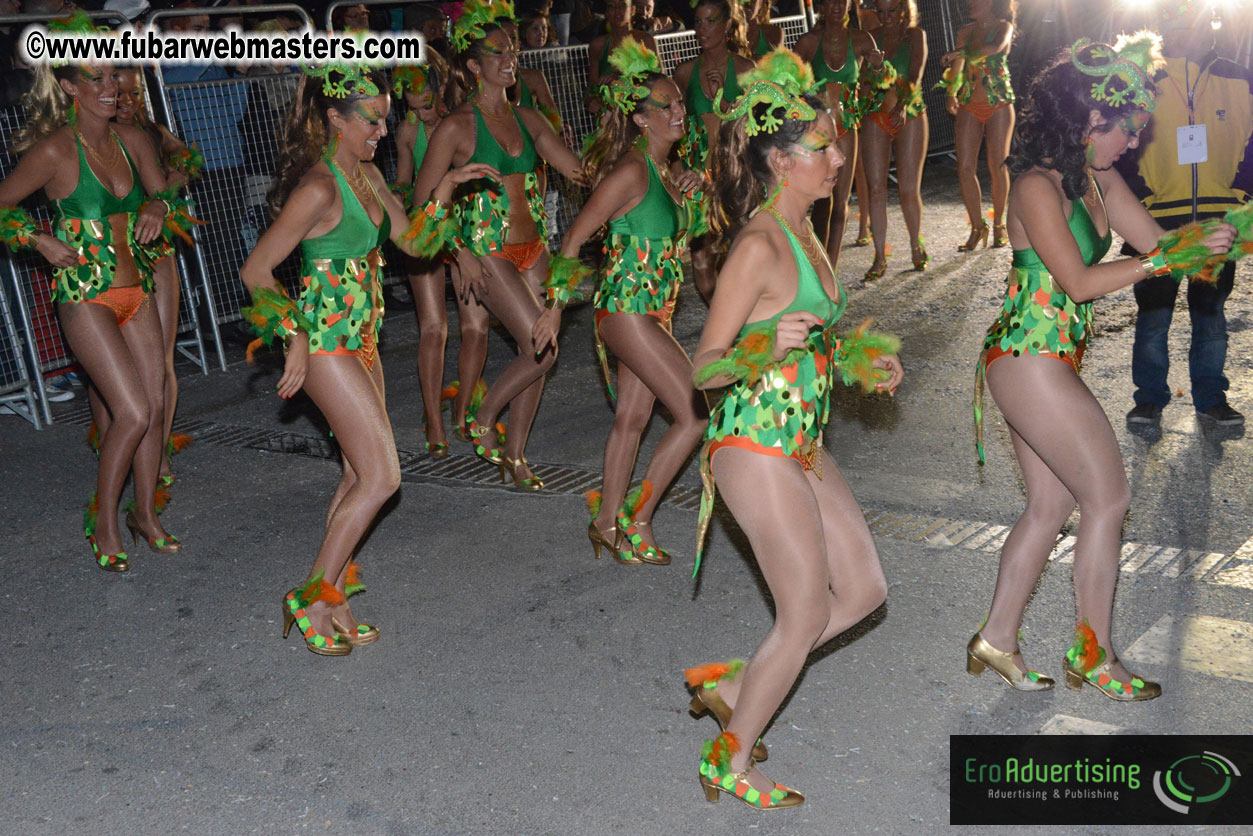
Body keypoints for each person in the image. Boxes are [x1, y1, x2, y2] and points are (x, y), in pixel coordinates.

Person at [969, 34, 1234, 700]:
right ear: (1086, 120)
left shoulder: (1099, 176)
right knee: (1108, 499)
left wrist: (1214, 239)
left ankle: (995, 639)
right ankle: (1093, 655)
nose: (1133, 138)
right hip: (1024, 357)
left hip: (1048, 359)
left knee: (1049, 505)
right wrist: (1168, 259)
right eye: (1124, 125)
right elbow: (1081, 282)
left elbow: (1162, 246)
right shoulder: (1032, 184)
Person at [686, 49, 901, 809]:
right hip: (752, 443)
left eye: (836, 143)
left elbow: (804, 334)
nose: (837, 156)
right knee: (805, 609)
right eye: (822, 147)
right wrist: (756, 346)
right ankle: (729, 759)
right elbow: (702, 369)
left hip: (800, 440)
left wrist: (855, 363)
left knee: (865, 590)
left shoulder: (807, 229)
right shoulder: (757, 244)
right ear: (779, 161)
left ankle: (740, 685)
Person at [241, 63, 493, 654]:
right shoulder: (319, 188)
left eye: (385, 118)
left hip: (365, 338)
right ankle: (311, 598)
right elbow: (256, 271)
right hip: (327, 340)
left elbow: (413, 243)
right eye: (370, 120)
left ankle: (335, 598)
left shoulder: (371, 176)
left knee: (358, 473)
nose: (381, 129)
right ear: (334, 118)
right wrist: (294, 333)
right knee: (383, 477)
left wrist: (447, 189)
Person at [0, 18, 181, 572]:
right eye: (95, 77)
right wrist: (37, 238)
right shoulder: (54, 152)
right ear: (69, 87)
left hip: (137, 290)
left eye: (113, 75)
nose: (111, 87)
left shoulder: (132, 138)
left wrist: (158, 205)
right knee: (128, 413)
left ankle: (144, 515)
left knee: (151, 409)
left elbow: (167, 187)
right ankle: (103, 519)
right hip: (85, 297)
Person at [414, 0, 586, 490]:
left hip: (535, 249)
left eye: (511, 50)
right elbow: (424, 202)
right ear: (472, 65)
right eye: (496, 53)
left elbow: (578, 171)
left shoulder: (530, 120)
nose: (509, 58)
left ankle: (515, 456)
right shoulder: (455, 126)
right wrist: (459, 253)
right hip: (486, 252)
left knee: (539, 347)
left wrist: (631, 149)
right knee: (541, 348)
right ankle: (483, 415)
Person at [553, 38, 707, 564]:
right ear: (642, 120)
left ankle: (606, 524)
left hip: (654, 308)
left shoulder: (669, 170)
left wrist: (697, 186)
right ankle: (637, 519)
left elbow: (698, 234)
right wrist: (553, 310)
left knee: (632, 420)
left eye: (681, 102)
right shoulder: (631, 170)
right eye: (668, 106)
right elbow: (574, 238)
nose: (680, 111)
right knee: (694, 413)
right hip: (627, 307)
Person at [1115, 1, 1249, 428]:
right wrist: (1139, 195)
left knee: (1210, 316)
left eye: (1195, 20)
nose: (1187, 29)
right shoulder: (1143, 79)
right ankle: (1149, 399)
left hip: (1217, 222)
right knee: (1153, 318)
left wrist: (1242, 191)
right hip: (1153, 222)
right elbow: (1118, 142)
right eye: (1176, 20)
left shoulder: (1237, 76)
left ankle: (1211, 398)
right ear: (1164, 27)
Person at [93, 66, 202, 489]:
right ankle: (114, 448)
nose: (130, 103)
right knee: (105, 371)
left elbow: (185, 159)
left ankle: (156, 455)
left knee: (161, 362)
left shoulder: (149, 132)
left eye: (136, 95)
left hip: (155, 251)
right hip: (109, 259)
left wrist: (170, 185)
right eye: (122, 95)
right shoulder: (91, 138)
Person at [392, 58, 489, 457]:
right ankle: (434, 419)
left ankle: (463, 410)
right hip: (426, 224)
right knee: (434, 328)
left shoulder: (463, 119)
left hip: (466, 222)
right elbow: (404, 177)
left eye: (427, 101)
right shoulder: (407, 131)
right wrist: (393, 201)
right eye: (414, 105)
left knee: (476, 328)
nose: (422, 111)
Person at [161, 4, 251, 313]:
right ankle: (216, 313)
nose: (207, 35)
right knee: (213, 243)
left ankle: (229, 309)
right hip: (201, 169)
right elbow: (169, 88)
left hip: (231, 159)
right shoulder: (166, 63)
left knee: (229, 237)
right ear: (177, 31)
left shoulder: (210, 64)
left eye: (206, 28)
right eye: (199, 29)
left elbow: (235, 113)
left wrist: (239, 74)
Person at [673, 0, 754, 300]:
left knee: (743, 254)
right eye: (698, 21)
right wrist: (677, 165)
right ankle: (727, 326)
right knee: (701, 262)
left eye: (710, 21)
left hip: (736, 176)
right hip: (698, 180)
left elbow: (759, 128)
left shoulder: (746, 69)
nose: (702, 29)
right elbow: (671, 127)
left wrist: (731, 107)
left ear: (726, 25)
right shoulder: (684, 73)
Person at [795, 0, 882, 267]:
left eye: (841, 0)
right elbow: (789, 83)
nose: (836, 5)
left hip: (847, 128)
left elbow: (880, 84)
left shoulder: (861, 40)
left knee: (841, 200)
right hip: (817, 133)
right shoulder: (809, 42)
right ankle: (815, 261)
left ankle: (830, 270)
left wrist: (878, 67)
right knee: (821, 202)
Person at [938, 0, 1016, 251]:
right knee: (964, 166)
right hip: (970, 102)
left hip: (999, 102)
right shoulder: (964, 32)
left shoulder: (1003, 26)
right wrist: (951, 91)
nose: (969, 3)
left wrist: (961, 53)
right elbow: (958, 68)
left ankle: (999, 225)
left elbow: (995, 48)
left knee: (998, 164)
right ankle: (977, 226)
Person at [859, 0, 927, 280]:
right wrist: (873, 68)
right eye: (881, 11)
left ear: (903, 10)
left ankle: (915, 244)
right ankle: (879, 255)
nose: (886, 17)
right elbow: (863, 80)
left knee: (908, 189)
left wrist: (901, 104)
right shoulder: (870, 38)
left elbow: (915, 74)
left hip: (909, 110)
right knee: (876, 188)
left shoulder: (915, 36)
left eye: (892, 11)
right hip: (876, 113)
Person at [588, 0, 658, 91]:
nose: (617, 11)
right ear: (606, 13)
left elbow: (659, 78)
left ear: (632, 10)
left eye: (622, 5)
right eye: (611, 6)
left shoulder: (645, 40)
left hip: (640, 102)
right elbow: (591, 88)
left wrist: (621, 77)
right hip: (609, 103)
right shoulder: (598, 45)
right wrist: (592, 101)